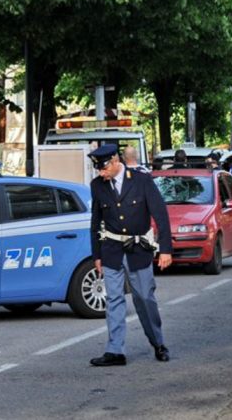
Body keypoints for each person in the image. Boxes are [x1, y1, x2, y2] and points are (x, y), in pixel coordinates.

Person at [88, 144, 173, 367]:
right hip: (112, 250)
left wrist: (165, 249)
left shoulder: (141, 180)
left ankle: (158, 342)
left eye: (104, 168)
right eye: (98, 169)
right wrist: (96, 253)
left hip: (138, 250)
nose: (101, 173)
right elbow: (95, 221)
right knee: (114, 299)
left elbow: (160, 215)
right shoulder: (97, 186)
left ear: (116, 160)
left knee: (144, 298)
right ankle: (115, 350)